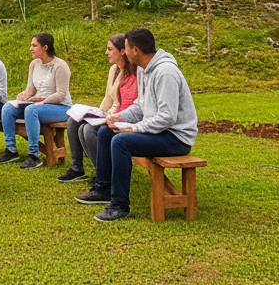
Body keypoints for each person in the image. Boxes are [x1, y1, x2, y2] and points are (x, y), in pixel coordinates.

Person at [75, 28, 197, 222]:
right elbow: (140, 105)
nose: (124, 52)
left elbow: (167, 117)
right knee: (107, 131)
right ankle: (103, 188)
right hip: (159, 132)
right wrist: (119, 117)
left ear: (135, 50)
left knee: (121, 141)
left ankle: (119, 205)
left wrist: (134, 128)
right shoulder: (143, 69)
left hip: (175, 138)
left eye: (125, 48)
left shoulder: (165, 73)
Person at [57, 33, 134, 183]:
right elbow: (108, 98)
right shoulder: (114, 69)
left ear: (122, 51)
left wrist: (107, 117)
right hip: (110, 113)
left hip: (121, 117)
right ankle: (77, 167)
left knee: (86, 129)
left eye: (110, 49)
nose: (106, 52)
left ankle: (103, 174)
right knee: (74, 120)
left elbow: (127, 105)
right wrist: (98, 113)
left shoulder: (132, 73)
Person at [0, 32, 73, 169]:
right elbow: (31, 89)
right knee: (8, 107)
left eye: (34, 45)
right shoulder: (34, 64)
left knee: (31, 110)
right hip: (38, 104)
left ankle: (34, 156)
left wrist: (43, 101)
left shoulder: (60, 66)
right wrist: (23, 96)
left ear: (45, 47)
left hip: (61, 107)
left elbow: (61, 94)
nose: (31, 48)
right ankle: (11, 150)